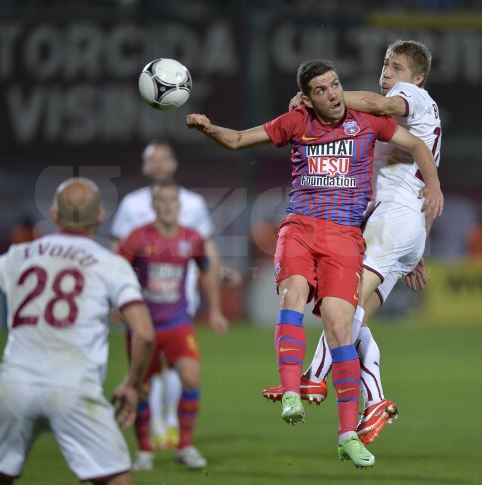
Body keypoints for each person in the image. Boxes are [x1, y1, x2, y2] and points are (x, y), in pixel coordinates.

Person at [186, 58, 443, 468]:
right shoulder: (297, 122)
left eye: (335, 84)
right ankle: (294, 390)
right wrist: (208, 128)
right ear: (307, 99)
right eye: (321, 90)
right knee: (294, 295)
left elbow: (414, 144)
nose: (333, 94)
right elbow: (237, 140)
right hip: (301, 229)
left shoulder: (367, 120)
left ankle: (346, 433)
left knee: (343, 325)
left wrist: (433, 186)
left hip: (346, 238)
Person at [262, 40, 442, 445]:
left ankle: (313, 377)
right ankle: (374, 400)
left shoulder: (410, 97)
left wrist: (321, 100)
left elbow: (379, 104)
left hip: (392, 220)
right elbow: (423, 182)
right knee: (354, 319)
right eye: (385, 64)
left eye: (397, 67)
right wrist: (418, 250)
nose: (387, 74)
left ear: (417, 79)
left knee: (343, 310)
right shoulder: (421, 115)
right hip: (404, 227)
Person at [0, 178, 155, 485]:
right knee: (116, 480)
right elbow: (144, 334)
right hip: (74, 387)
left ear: (53, 214)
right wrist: (132, 385)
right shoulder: (111, 264)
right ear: (100, 215)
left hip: (14, 385)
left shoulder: (19, 255)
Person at [111, 140, 226, 457]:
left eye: (164, 159)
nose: (168, 206)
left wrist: (215, 307)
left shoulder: (193, 217)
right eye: (153, 159)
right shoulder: (134, 217)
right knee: (145, 381)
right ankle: (149, 442)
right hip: (143, 314)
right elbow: (117, 258)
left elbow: (208, 260)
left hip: (180, 310)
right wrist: (117, 301)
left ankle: (177, 434)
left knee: (186, 373)